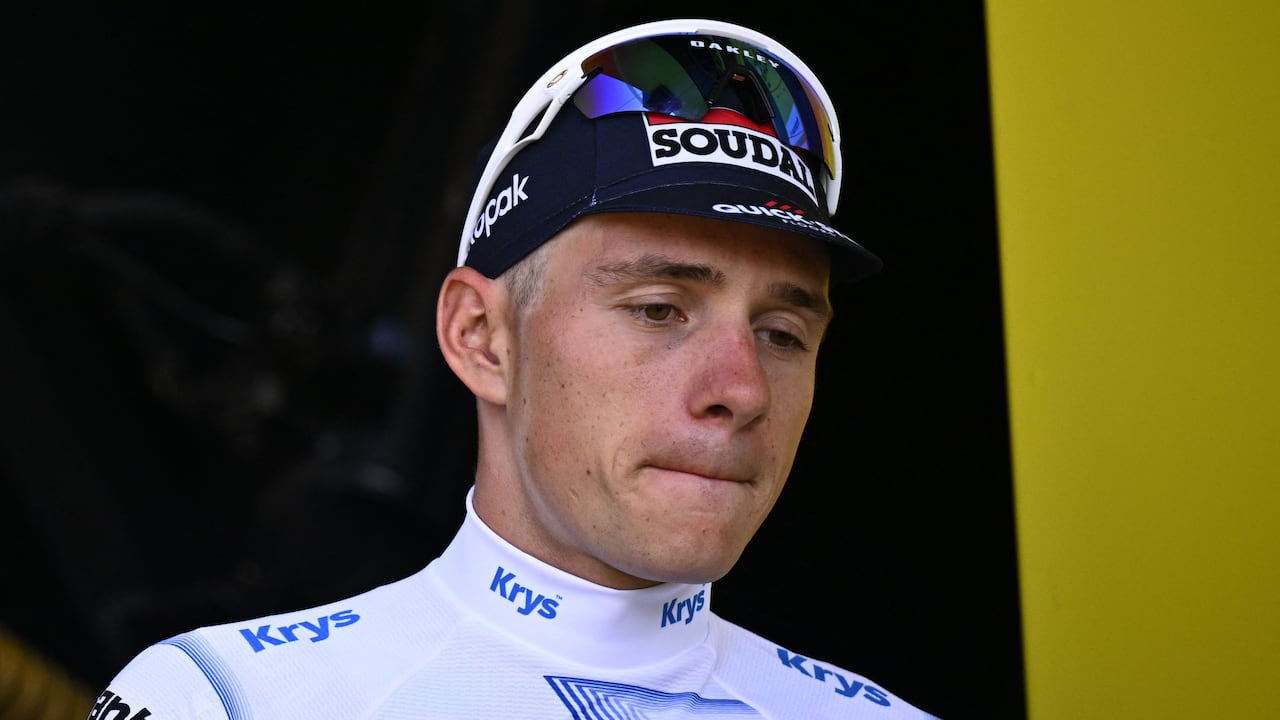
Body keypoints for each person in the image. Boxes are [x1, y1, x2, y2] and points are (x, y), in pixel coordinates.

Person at [88, 18, 940, 719]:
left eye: (783, 333)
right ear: (481, 339)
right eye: (658, 309)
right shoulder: (222, 702)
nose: (743, 388)